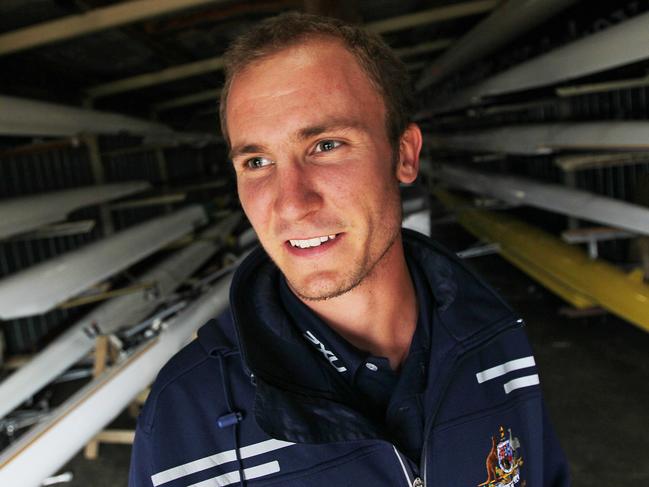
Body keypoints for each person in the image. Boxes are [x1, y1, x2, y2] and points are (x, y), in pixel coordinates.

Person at [129, 12, 569, 487]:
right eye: (257, 161)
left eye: (326, 145)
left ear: (403, 155)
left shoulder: (494, 335)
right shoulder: (187, 412)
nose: (291, 204)